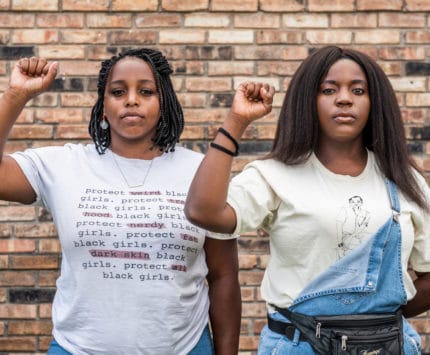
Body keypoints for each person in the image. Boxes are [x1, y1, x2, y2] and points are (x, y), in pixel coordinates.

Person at [185, 46, 430, 354]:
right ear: (307, 101)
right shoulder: (274, 175)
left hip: (387, 346)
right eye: (328, 90)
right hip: (298, 344)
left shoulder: (404, 180)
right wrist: (236, 122)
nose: (344, 98)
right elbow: (203, 210)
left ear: (374, 102)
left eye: (358, 90)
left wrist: (370, 320)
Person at [0, 48, 241, 354]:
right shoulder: (63, 165)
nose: (131, 99)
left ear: (163, 102)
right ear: (103, 107)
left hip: (184, 348)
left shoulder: (202, 172)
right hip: (78, 349)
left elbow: (223, 277)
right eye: (117, 92)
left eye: (146, 91)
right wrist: (15, 95)